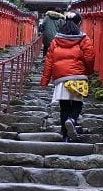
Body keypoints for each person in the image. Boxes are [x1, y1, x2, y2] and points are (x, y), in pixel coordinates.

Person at [40, 11, 95, 142]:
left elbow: (49, 61)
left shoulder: (56, 40)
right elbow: (90, 57)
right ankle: (72, 119)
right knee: (77, 104)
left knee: (64, 106)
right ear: (79, 23)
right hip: (78, 76)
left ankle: (65, 136)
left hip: (61, 78)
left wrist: (45, 80)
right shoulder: (84, 39)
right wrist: (88, 71)